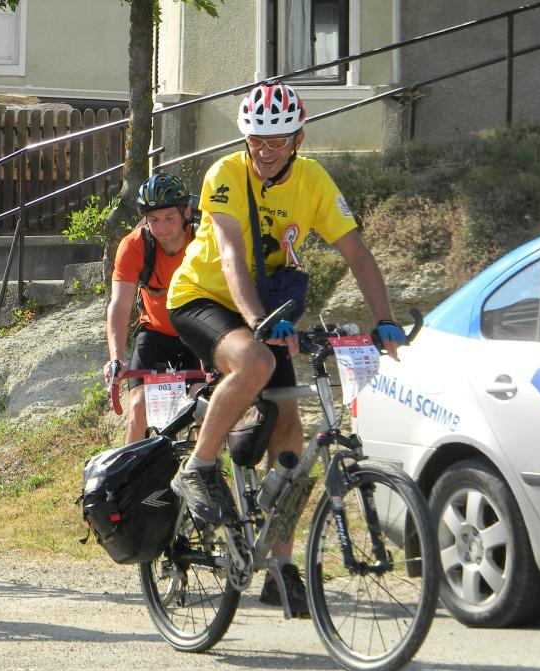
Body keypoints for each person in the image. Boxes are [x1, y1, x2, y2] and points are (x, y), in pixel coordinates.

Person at [166, 81, 408, 616]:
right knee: (255, 360)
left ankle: (281, 565)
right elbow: (229, 255)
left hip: (268, 309)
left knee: (291, 432)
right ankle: (199, 467)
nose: (266, 151)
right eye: (257, 140)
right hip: (203, 299)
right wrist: (258, 323)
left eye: (278, 141)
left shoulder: (314, 180)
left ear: (298, 138)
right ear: (245, 139)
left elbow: (357, 254)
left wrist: (385, 321)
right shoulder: (225, 174)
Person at [103, 172, 200, 444]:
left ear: (186, 213)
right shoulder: (134, 245)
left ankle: (203, 471)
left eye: (170, 218)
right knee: (138, 407)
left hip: (198, 331)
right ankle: (129, 480)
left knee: (204, 404)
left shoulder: (204, 240)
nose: (162, 228)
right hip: (155, 332)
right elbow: (119, 305)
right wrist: (116, 357)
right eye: (153, 219)